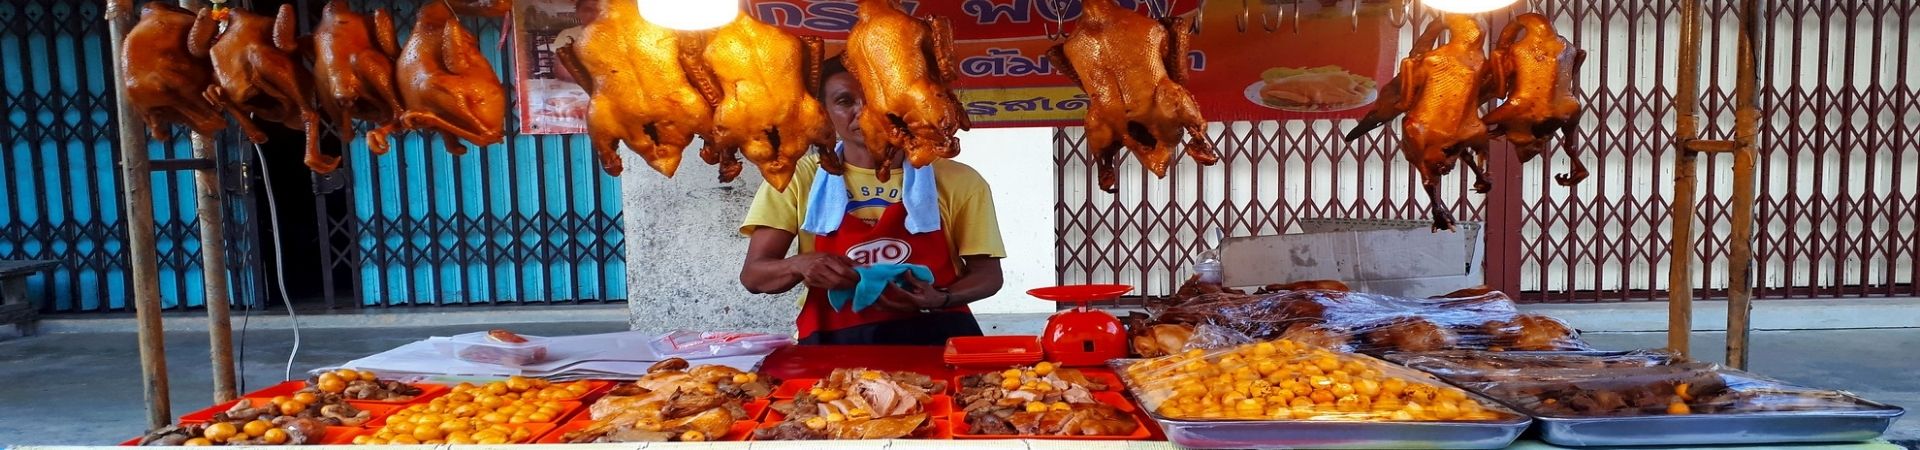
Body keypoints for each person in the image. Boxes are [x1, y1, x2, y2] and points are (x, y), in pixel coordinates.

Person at [738, 56, 1005, 345]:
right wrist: (799, 265)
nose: (864, 113)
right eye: (844, 101)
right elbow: (754, 275)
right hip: (833, 344)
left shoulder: (959, 181)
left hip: (938, 335)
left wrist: (941, 298)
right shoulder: (797, 178)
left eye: (877, 99)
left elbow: (988, 275)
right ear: (824, 114)